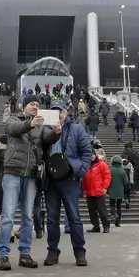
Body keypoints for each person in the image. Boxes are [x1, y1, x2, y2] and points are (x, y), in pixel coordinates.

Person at [0, 94, 52, 271]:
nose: (35, 106)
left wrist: (57, 131)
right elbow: (13, 129)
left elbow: (48, 138)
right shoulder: (14, 118)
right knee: (8, 216)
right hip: (13, 171)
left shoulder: (41, 124)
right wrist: (31, 123)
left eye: (37, 104)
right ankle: (3, 255)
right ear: (24, 106)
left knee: (28, 216)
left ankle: (25, 254)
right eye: (32, 104)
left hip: (30, 174)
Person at [41, 100, 92, 267]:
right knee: (52, 219)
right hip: (51, 179)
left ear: (66, 113)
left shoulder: (77, 129)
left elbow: (86, 152)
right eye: (54, 112)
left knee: (74, 218)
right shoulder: (45, 130)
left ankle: (79, 252)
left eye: (60, 111)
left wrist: (80, 171)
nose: (58, 115)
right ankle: (52, 252)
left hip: (69, 179)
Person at [83, 141, 112, 233]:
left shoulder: (102, 164)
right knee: (92, 212)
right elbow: (84, 178)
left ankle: (106, 225)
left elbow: (107, 176)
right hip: (89, 192)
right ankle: (96, 226)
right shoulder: (86, 166)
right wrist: (84, 189)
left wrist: (105, 187)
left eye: (92, 154)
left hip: (99, 191)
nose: (91, 156)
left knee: (101, 210)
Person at [107, 156, 127, 227]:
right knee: (119, 206)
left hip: (111, 190)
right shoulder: (122, 171)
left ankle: (113, 213)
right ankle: (117, 222)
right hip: (120, 191)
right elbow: (126, 182)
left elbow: (107, 180)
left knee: (112, 204)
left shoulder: (110, 170)